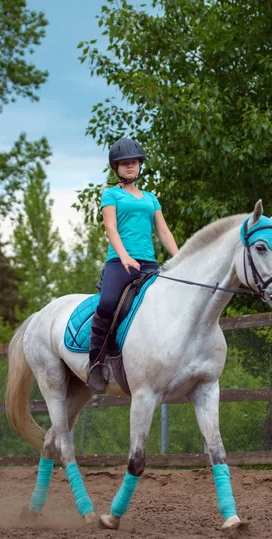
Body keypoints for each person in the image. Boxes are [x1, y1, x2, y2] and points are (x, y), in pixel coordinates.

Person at [87, 137, 179, 393]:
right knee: (107, 304)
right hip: (120, 262)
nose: (130, 167)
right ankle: (95, 361)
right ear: (116, 167)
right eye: (125, 163)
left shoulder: (151, 198)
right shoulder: (111, 194)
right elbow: (110, 227)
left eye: (134, 162)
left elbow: (164, 232)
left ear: (140, 165)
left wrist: (181, 258)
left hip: (149, 263)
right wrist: (124, 256)